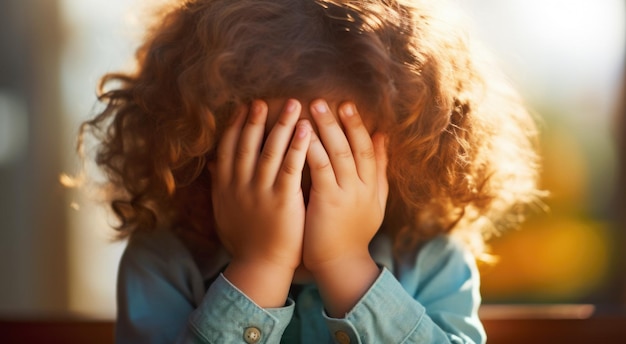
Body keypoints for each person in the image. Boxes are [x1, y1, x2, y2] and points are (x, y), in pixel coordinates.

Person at [78, 0, 542, 342]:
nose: (306, 191)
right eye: (273, 152)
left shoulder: (431, 259)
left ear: (406, 156)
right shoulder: (163, 262)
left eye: (341, 156)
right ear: (199, 150)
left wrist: (346, 265)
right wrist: (261, 266)